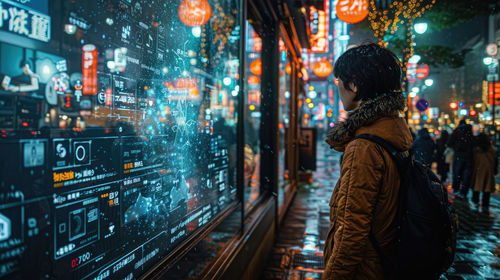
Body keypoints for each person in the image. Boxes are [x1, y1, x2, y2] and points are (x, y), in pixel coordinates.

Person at [324, 43, 412, 280]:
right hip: (386, 261)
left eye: (339, 81)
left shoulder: (364, 147)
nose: (338, 87)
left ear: (354, 85)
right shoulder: (392, 130)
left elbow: (351, 233)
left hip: (365, 270)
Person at [447, 119, 475, 198]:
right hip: (469, 156)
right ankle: (464, 192)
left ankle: (456, 190)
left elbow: (449, 143)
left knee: (457, 173)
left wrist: (456, 147)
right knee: (466, 175)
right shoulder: (470, 131)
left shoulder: (457, 131)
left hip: (459, 156)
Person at [471, 133, 497, 211]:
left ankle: (475, 203)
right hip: (488, 170)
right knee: (487, 188)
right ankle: (485, 205)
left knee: (477, 186)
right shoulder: (492, 149)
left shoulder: (476, 150)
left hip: (478, 170)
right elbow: (495, 160)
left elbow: (473, 160)